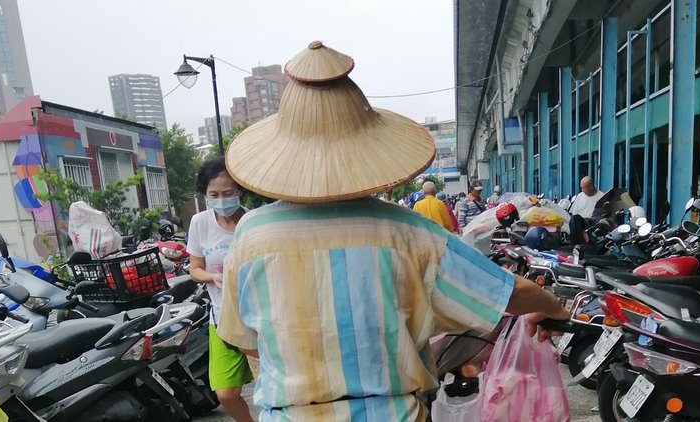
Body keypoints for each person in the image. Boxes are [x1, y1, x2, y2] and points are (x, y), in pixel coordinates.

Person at [217, 41, 569, 421]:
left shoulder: (251, 234)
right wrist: (551, 307)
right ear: (366, 148)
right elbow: (502, 292)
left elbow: (247, 342)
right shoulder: (407, 232)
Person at [187, 157, 254, 422]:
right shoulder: (199, 223)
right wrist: (211, 278)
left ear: (239, 191)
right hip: (222, 317)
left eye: (228, 193)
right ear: (205, 194)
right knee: (226, 393)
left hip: (256, 317)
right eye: (214, 194)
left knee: (270, 384)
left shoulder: (252, 221)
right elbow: (194, 269)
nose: (221, 199)